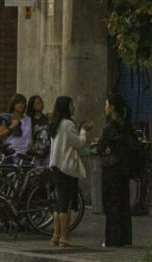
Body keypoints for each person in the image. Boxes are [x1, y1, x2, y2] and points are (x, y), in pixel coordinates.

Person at [47, 94, 88, 248]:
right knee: (65, 204)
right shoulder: (68, 125)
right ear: (66, 107)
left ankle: (55, 235)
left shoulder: (55, 124)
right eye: (71, 105)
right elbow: (79, 143)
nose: (74, 108)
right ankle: (64, 236)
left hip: (56, 166)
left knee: (58, 203)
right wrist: (83, 131)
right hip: (67, 167)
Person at [93, 93, 135, 248]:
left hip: (111, 169)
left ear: (111, 107)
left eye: (106, 104)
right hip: (124, 169)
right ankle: (126, 238)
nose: (105, 107)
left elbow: (99, 148)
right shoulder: (126, 125)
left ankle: (112, 239)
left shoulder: (109, 128)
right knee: (124, 204)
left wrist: (105, 149)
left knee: (111, 205)